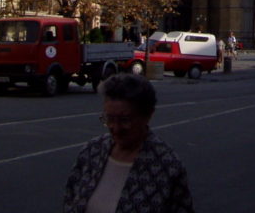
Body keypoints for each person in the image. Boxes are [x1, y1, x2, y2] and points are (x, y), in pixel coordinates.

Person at [63, 74, 194, 213]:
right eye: (109, 119)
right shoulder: (91, 152)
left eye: (125, 120)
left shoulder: (167, 165)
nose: (116, 128)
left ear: (147, 116)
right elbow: (70, 199)